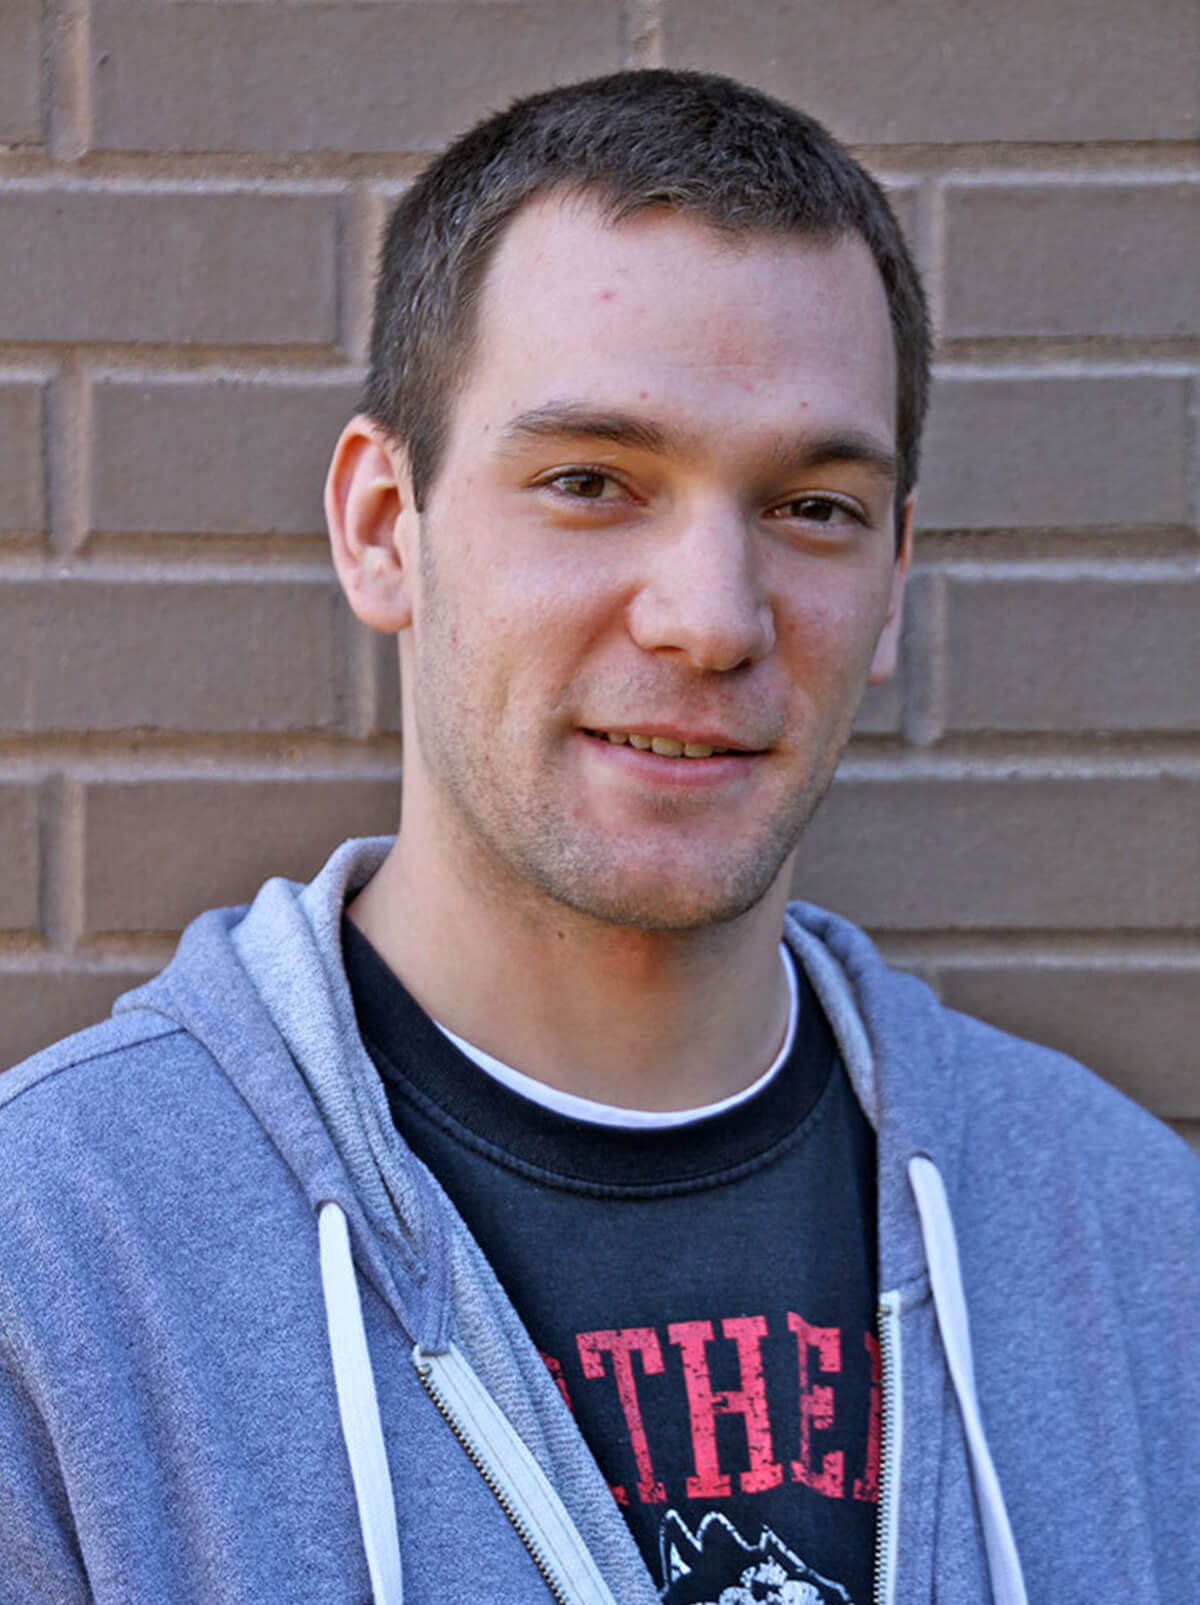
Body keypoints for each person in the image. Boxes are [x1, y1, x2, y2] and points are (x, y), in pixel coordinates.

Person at [0, 69, 1195, 1605]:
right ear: (384, 525)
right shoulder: (56, 1266)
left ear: (896, 576)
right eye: (588, 482)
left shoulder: (1133, 1247)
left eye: (814, 506)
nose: (710, 616)